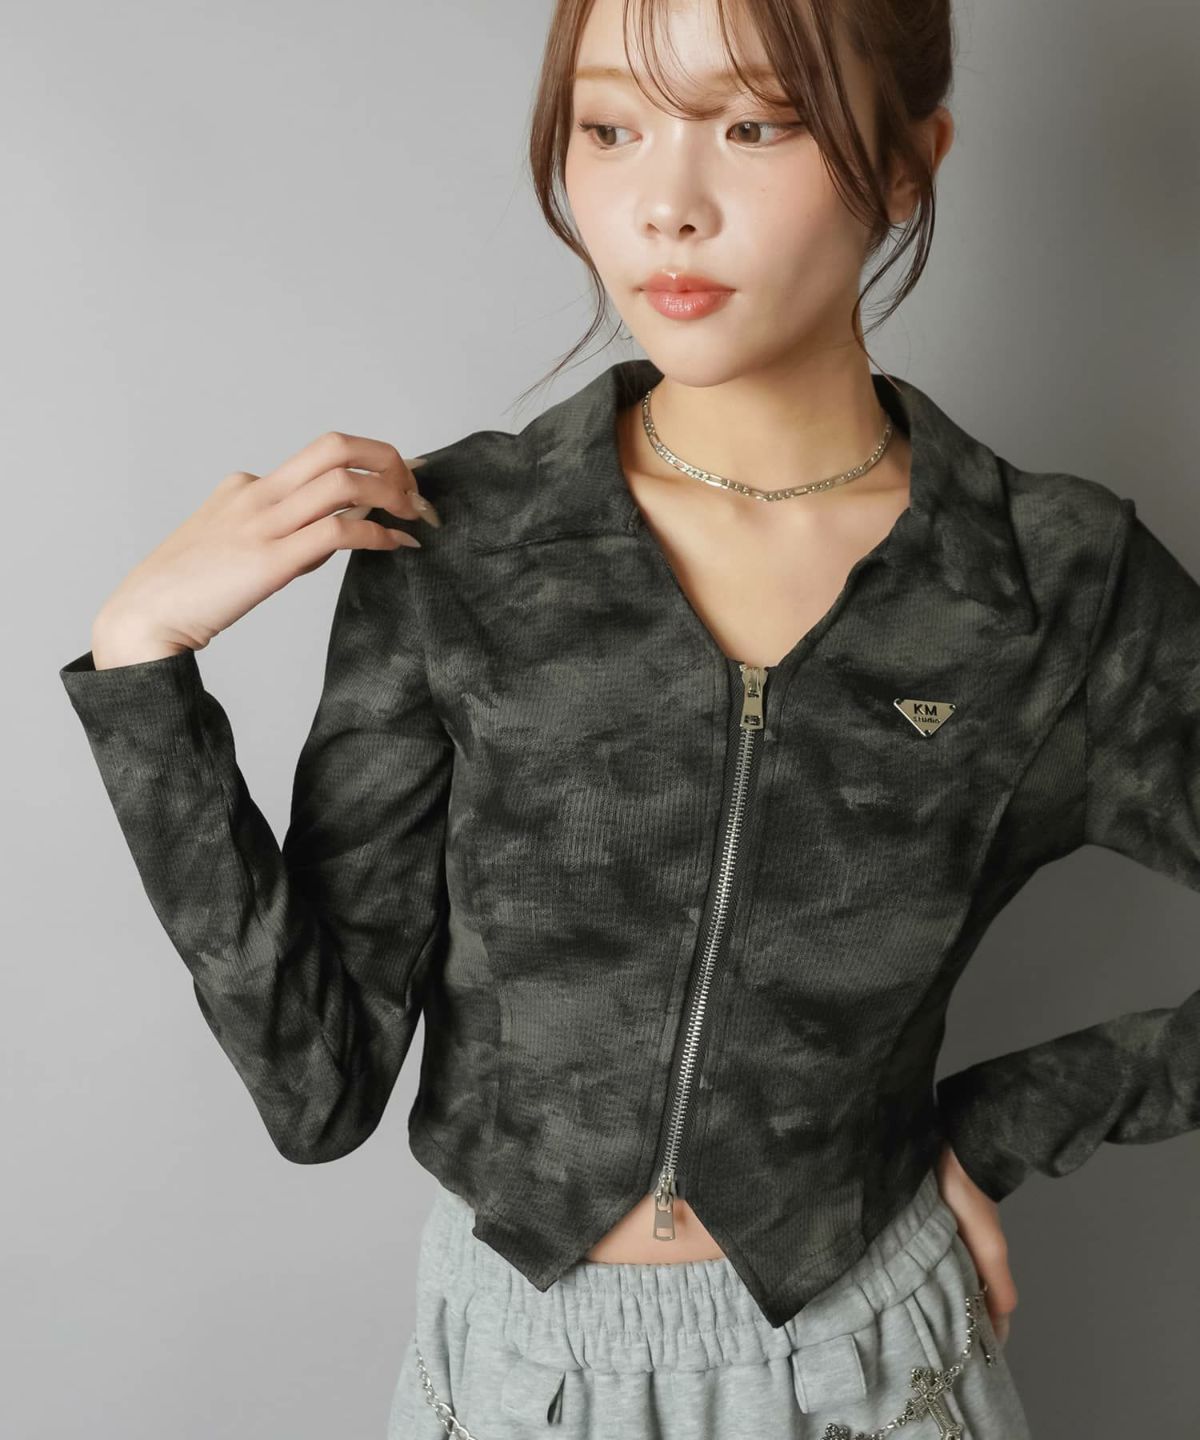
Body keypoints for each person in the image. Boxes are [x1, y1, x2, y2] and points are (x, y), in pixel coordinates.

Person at [58, 1, 1200, 1437]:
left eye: (753, 124)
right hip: (514, 1380)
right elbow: (317, 1091)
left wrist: (1011, 1120)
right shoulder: (462, 542)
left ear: (910, 162)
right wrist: (144, 671)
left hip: (873, 1371)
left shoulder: (1050, 584)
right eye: (610, 128)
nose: (667, 203)